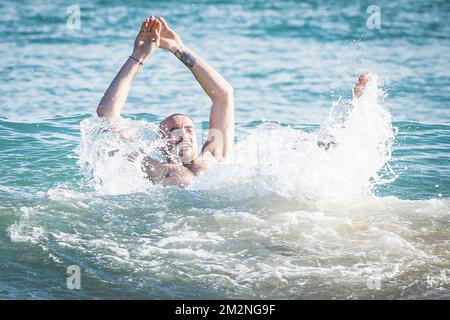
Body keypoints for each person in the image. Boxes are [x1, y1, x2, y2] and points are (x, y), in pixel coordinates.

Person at [97, 16, 234, 187]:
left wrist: (178, 48)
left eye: (189, 129)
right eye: (173, 129)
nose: (183, 134)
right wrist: (138, 55)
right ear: (160, 143)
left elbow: (224, 95)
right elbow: (107, 113)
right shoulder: (153, 168)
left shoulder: (214, 158)